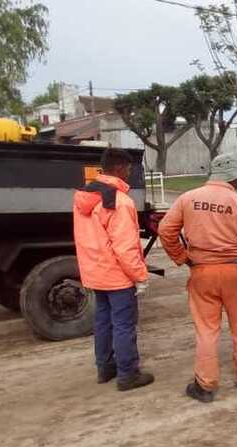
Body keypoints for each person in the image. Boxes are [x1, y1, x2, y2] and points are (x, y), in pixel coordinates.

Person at [158, 153, 237, 403]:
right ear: (233, 178)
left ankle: (205, 387)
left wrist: (182, 257)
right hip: (236, 273)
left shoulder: (188, 198)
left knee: (206, 330)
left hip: (202, 272)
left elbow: (165, 230)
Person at [73, 148, 154, 391]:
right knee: (123, 324)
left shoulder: (84, 197)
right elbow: (126, 247)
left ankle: (105, 367)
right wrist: (140, 276)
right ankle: (128, 374)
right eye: (128, 169)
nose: (129, 173)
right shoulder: (119, 201)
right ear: (119, 169)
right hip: (117, 276)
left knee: (103, 321)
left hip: (95, 273)